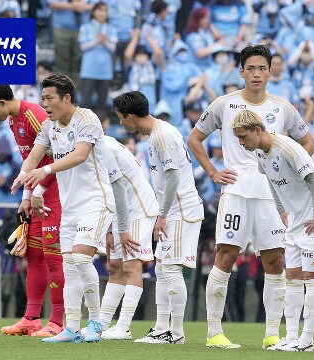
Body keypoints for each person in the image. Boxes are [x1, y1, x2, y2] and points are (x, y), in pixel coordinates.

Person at [187, 44, 314, 349]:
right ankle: (214, 332)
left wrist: (290, 169)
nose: (257, 74)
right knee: (226, 255)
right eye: (251, 69)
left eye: (262, 69)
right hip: (236, 190)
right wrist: (213, 171)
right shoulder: (224, 104)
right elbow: (194, 138)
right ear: (241, 71)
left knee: (274, 259)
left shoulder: (283, 108)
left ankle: (272, 333)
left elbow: (308, 141)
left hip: (272, 194)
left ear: (271, 72)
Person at [11, 74, 115, 343]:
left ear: (66, 98)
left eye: (49, 98)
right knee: (69, 265)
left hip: (96, 200)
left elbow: (80, 155)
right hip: (69, 206)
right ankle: (71, 328)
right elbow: (32, 157)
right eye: (42, 98)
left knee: (81, 259)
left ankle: (95, 322)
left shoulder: (87, 119)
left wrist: (43, 170)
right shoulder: (49, 126)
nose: (44, 104)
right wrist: (23, 178)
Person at [230, 109, 314, 351]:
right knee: (293, 278)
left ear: (257, 130)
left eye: (243, 137)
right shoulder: (260, 153)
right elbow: (271, 180)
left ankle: (307, 340)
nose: (241, 143)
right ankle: (291, 337)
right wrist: (281, 210)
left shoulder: (287, 147)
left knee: (312, 277)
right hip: (295, 222)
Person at [0, 85, 65, 337]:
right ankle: (31, 319)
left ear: (2, 102)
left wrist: (37, 192)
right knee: (33, 255)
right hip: (36, 196)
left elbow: (60, 160)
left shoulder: (36, 116)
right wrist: (26, 196)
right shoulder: (14, 120)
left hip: (55, 194)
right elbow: (31, 161)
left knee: (54, 257)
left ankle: (57, 321)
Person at [114, 91, 204, 345]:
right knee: (163, 269)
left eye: (121, 118)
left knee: (171, 269)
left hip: (180, 211)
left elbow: (173, 177)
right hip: (174, 210)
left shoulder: (161, 137)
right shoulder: (160, 132)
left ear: (130, 116)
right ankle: (162, 327)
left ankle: (175, 332)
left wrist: (162, 215)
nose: (121, 123)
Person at [96, 135, 158, 340]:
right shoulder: (96, 146)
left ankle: (123, 327)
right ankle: (101, 326)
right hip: (121, 212)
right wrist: (108, 229)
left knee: (131, 266)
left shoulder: (104, 149)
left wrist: (120, 229)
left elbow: (118, 190)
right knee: (115, 266)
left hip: (139, 210)